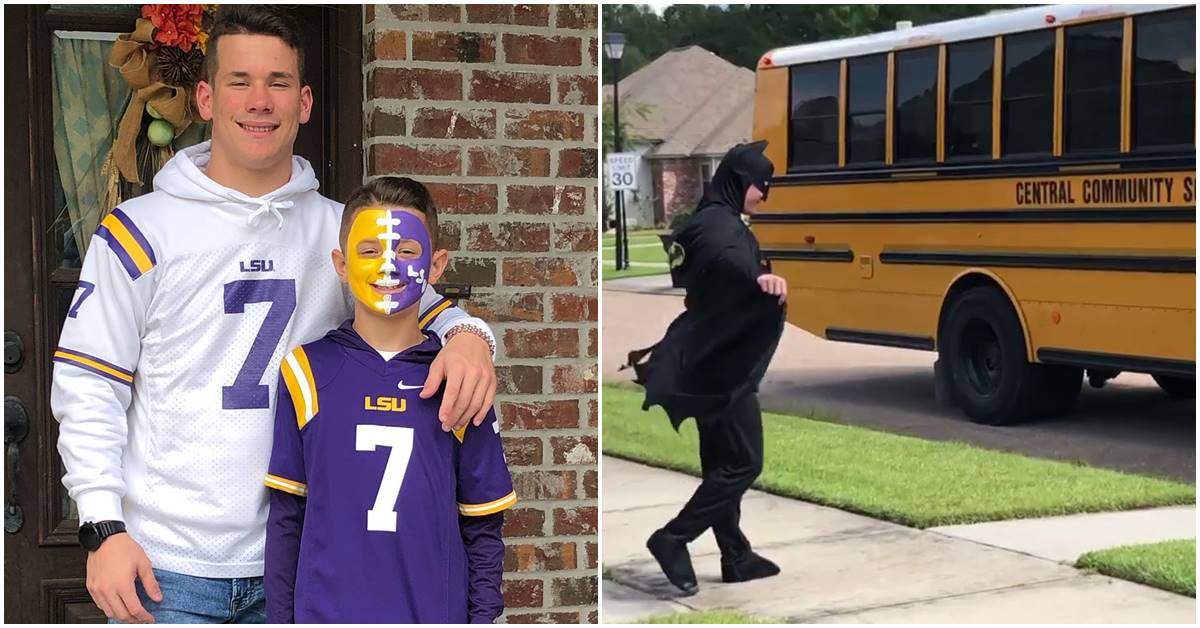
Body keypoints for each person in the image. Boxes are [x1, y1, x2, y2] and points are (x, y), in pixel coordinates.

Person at [51, 7, 497, 624]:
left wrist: (472, 335)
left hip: (302, 557)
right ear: (205, 98)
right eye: (240, 81)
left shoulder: (342, 236)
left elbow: (422, 305)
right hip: (168, 569)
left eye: (278, 82)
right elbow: (88, 385)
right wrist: (102, 527)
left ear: (305, 102)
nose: (259, 101)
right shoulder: (138, 231)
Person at [264, 177, 515, 623]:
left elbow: (483, 526)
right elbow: (287, 519)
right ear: (341, 264)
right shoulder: (304, 372)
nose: (387, 266)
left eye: (406, 252)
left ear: (436, 266)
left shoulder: (459, 377)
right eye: (369, 252)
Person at [627, 141, 788, 595]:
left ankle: (735, 554)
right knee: (743, 463)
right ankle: (673, 538)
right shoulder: (718, 227)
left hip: (708, 360)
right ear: (742, 182)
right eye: (762, 186)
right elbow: (726, 262)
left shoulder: (710, 219)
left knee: (721, 462)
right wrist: (759, 278)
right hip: (721, 370)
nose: (764, 197)